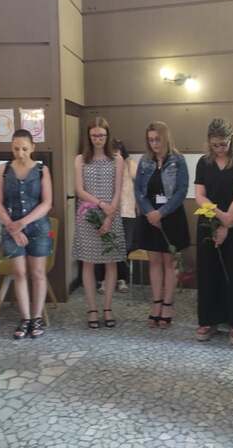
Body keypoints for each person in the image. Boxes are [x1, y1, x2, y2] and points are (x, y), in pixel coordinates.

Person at [194, 118, 233, 345]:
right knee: (208, 271)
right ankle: (208, 320)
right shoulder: (204, 162)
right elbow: (200, 196)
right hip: (209, 221)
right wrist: (221, 217)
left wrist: (228, 224)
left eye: (224, 144)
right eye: (215, 145)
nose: (220, 148)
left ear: (232, 139)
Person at [0, 129, 53, 340]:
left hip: (37, 227)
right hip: (11, 227)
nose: (20, 153)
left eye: (25, 149)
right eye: (16, 148)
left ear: (33, 147)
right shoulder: (3, 169)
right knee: (19, 272)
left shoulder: (42, 170)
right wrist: (12, 226)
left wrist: (23, 223)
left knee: (38, 273)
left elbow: (47, 203)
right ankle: (25, 318)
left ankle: (37, 318)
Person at [134, 122, 190, 328]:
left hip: (171, 216)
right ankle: (156, 303)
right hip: (150, 217)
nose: (154, 144)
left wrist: (161, 213)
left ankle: (168, 304)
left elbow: (181, 191)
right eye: (150, 140)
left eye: (157, 139)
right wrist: (150, 212)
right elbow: (138, 190)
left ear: (165, 138)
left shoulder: (178, 160)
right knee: (154, 262)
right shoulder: (144, 161)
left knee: (169, 262)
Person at [73, 117, 127, 328]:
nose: (98, 139)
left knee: (110, 262)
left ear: (107, 136)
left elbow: (118, 190)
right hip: (88, 215)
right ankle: (92, 309)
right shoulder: (80, 159)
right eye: (94, 135)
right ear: (88, 136)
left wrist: (109, 216)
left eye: (102, 135)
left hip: (111, 215)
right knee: (88, 263)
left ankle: (107, 308)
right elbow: (79, 190)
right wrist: (101, 204)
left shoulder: (117, 159)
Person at [96, 139, 137, 294]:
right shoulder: (103, 165)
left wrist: (127, 160)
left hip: (127, 211)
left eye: (117, 151)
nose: (114, 155)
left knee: (124, 247)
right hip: (107, 212)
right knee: (104, 246)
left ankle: (122, 279)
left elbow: (138, 178)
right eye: (112, 151)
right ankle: (103, 280)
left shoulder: (129, 164)